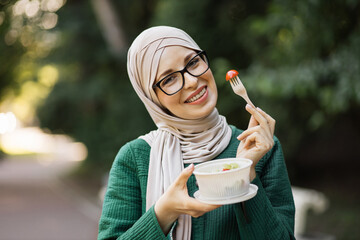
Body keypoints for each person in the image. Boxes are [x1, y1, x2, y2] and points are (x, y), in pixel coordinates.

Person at [97, 26, 295, 240]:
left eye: (192, 63)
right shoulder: (134, 159)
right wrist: (164, 212)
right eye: (169, 79)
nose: (192, 81)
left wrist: (244, 173)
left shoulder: (260, 147)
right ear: (152, 98)